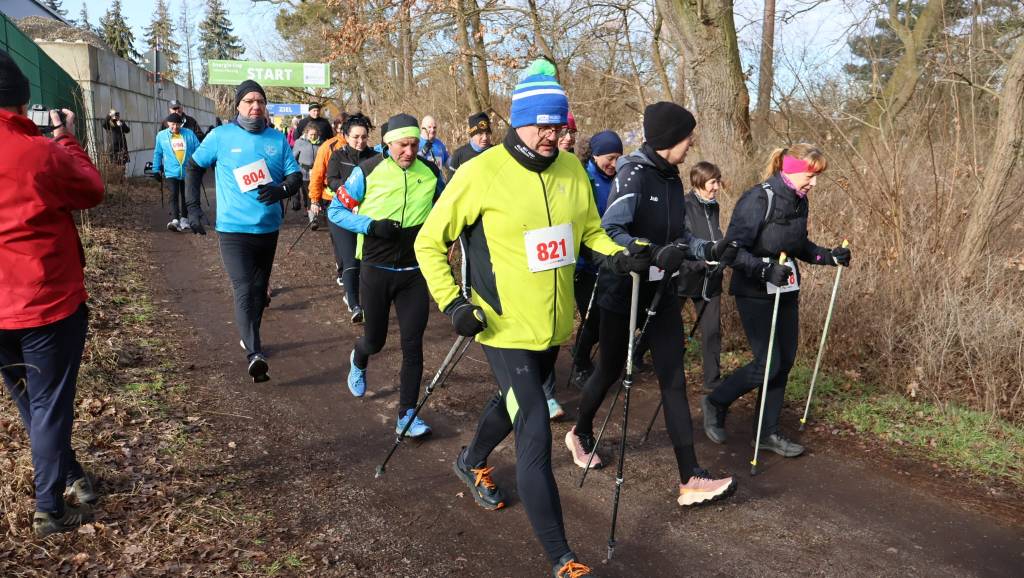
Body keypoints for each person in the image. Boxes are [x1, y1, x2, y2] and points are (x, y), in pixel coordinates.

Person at [415, 59, 651, 578]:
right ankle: (562, 559)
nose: (552, 135)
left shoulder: (570, 170)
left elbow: (591, 232)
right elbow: (429, 242)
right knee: (535, 428)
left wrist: (622, 255)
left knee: (513, 399)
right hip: (500, 325)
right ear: (519, 122)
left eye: (559, 125)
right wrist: (454, 302)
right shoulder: (481, 172)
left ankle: (470, 460)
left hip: (552, 325)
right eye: (542, 125)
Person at [565, 102, 738, 510]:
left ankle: (690, 476)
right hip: (624, 288)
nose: (691, 143)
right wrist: (653, 252)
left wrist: (709, 249)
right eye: (687, 136)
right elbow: (612, 230)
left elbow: (680, 236)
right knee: (609, 367)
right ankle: (580, 431)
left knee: (673, 376)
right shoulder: (634, 173)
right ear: (669, 138)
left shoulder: (671, 178)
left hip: (662, 291)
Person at [0, 49, 105, 536]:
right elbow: (90, 190)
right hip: (44, 302)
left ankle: (73, 475)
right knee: (48, 405)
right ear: (23, 101)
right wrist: (65, 138)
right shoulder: (39, 152)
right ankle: (50, 509)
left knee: (33, 403)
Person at [703, 144, 850, 457]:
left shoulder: (799, 200)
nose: (814, 183)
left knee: (784, 362)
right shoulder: (759, 198)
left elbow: (799, 245)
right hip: (754, 290)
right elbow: (731, 251)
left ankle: (766, 433)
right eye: (810, 175)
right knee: (768, 362)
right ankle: (716, 401)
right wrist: (764, 269)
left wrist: (829, 256)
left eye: (817, 176)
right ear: (791, 170)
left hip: (786, 289)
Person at [328, 113, 444, 438]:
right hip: (375, 269)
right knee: (375, 341)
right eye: (403, 145)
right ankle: (359, 357)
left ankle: (407, 415)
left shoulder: (430, 172)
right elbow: (335, 211)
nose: (409, 152)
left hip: (413, 272)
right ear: (388, 143)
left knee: (413, 345)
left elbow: (447, 209)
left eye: (414, 145)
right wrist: (371, 226)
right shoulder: (368, 171)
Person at [183, 79, 302, 382]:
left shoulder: (277, 139)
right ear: (238, 105)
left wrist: (280, 191)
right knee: (244, 287)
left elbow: (294, 177)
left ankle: (250, 336)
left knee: (259, 292)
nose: (255, 106)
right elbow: (193, 168)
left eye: (260, 101)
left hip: (268, 228)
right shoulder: (221, 136)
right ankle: (254, 353)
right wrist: (193, 209)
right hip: (233, 229)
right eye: (249, 101)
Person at [569, 129, 623, 387]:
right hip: (584, 263)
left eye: (619, 158)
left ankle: (589, 359)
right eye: (610, 158)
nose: (614, 164)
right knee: (593, 318)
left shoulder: (620, 180)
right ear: (595, 155)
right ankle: (580, 363)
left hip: (611, 259)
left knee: (607, 317)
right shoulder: (582, 177)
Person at [678, 161, 727, 392]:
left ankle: (712, 381)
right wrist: (698, 262)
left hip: (711, 276)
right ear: (699, 182)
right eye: (713, 182)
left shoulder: (714, 206)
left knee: (712, 330)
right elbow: (682, 240)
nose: (717, 187)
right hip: (685, 274)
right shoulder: (684, 204)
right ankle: (639, 355)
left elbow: (716, 235)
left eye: (718, 181)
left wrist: (723, 254)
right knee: (665, 324)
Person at [324, 113, 376, 322]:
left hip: (366, 215)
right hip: (342, 214)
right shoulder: (338, 156)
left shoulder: (375, 157)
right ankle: (354, 304)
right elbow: (331, 179)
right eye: (355, 137)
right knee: (350, 259)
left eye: (364, 137)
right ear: (346, 136)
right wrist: (349, 192)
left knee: (365, 260)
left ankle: (363, 296)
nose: (360, 141)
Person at [152, 112, 201, 232]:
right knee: (173, 195)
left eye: (177, 124)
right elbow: (158, 153)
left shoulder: (189, 134)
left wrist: (200, 165)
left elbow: (199, 149)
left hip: (187, 170)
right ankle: (175, 220)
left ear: (181, 124)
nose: (175, 127)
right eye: (172, 124)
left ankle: (184, 219)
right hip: (171, 171)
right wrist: (156, 169)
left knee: (185, 195)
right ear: (168, 124)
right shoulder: (161, 136)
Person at [308, 117, 350, 235]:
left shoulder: (359, 145)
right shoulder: (327, 146)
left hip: (354, 199)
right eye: (341, 128)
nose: (345, 130)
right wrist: (314, 200)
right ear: (336, 129)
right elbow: (317, 174)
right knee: (339, 235)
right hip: (332, 199)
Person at [446, 111, 492, 178]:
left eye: (487, 133)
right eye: (480, 134)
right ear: (472, 135)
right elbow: (450, 183)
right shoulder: (459, 156)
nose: (485, 138)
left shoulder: (495, 151)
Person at [291, 125, 322, 215]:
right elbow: (293, 157)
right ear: (306, 133)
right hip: (303, 172)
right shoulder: (299, 142)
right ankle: (307, 208)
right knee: (306, 193)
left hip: (316, 172)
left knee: (313, 192)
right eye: (311, 134)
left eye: (315, 134)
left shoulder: (321, 143)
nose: (313, 137)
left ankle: (312, 213)